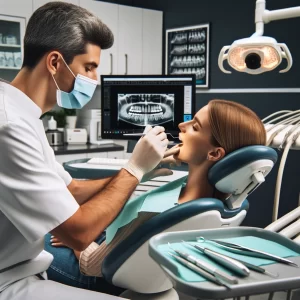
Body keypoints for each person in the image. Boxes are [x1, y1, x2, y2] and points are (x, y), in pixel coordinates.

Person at [0, 2, 173, 300]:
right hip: (9, 280)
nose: (94, 79)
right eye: (89, 67)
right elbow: (78, 232)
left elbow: (72, 188)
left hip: (26, 267)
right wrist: (134, 171)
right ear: (54, 62)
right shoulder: (9, 125)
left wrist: (143, 171)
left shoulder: (22, 114)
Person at [45, 99, 266, 286]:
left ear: (215, 153)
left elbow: (92, 265)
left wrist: (78, 241)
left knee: (33, 238)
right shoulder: (213, 202)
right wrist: (142, 172)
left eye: (195, 127)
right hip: (120, 256)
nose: (181, 124)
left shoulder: (164, 209)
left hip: (94, 274)